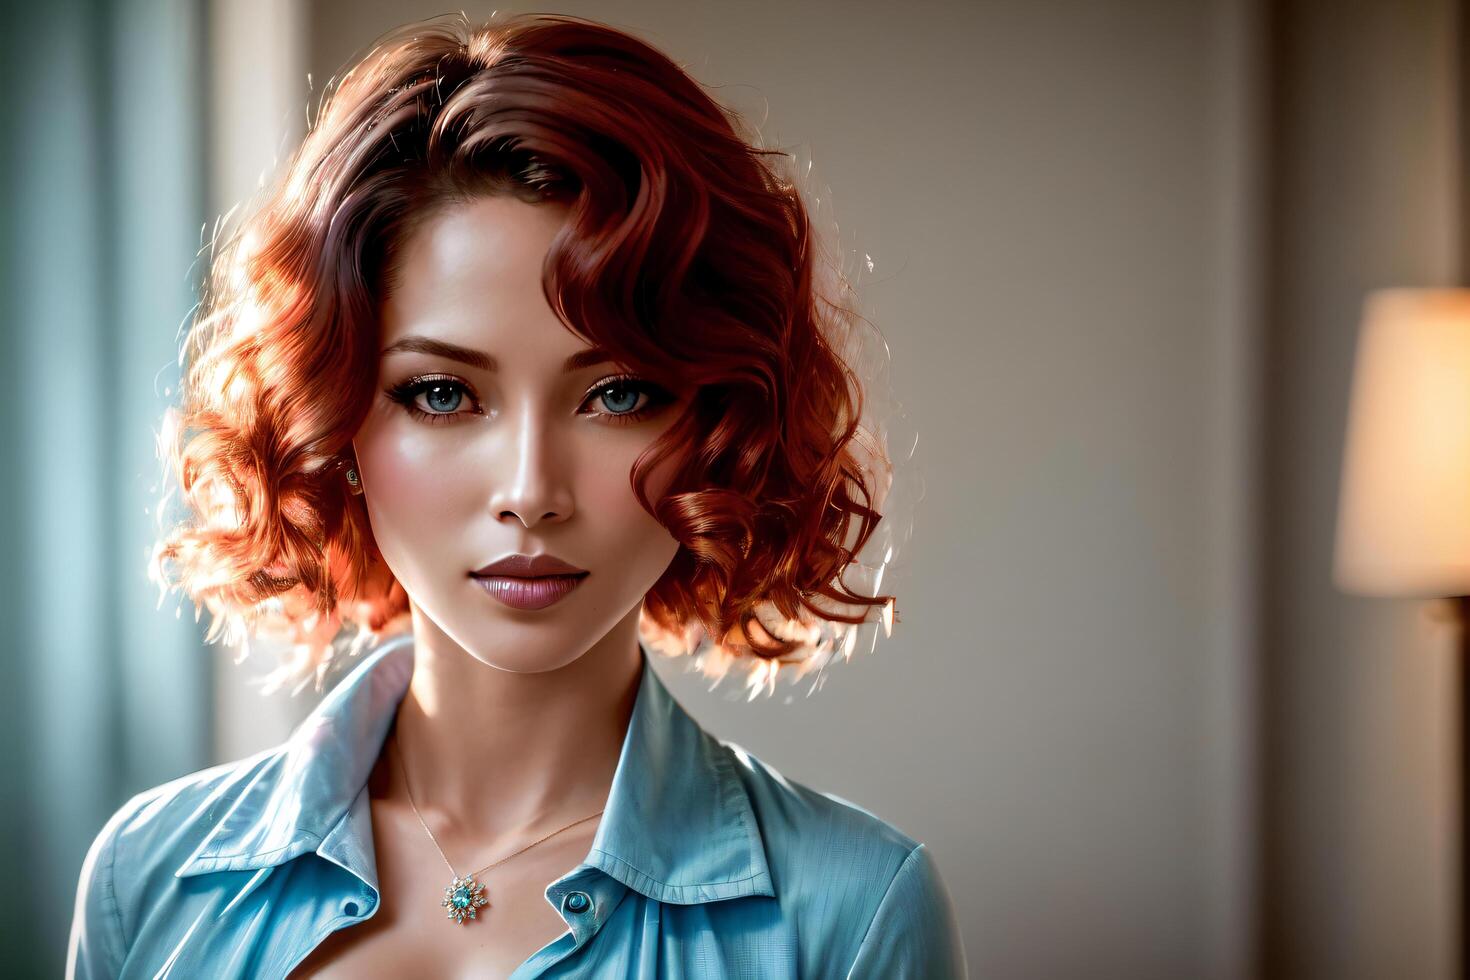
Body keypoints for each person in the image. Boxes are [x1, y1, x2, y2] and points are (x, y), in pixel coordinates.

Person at [65, 11, 967, 979]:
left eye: (618, 393)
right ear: (335, 422)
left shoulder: (852, 916)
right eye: (443, 393)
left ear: (718, 427)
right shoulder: (148, 880)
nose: (531, 491)